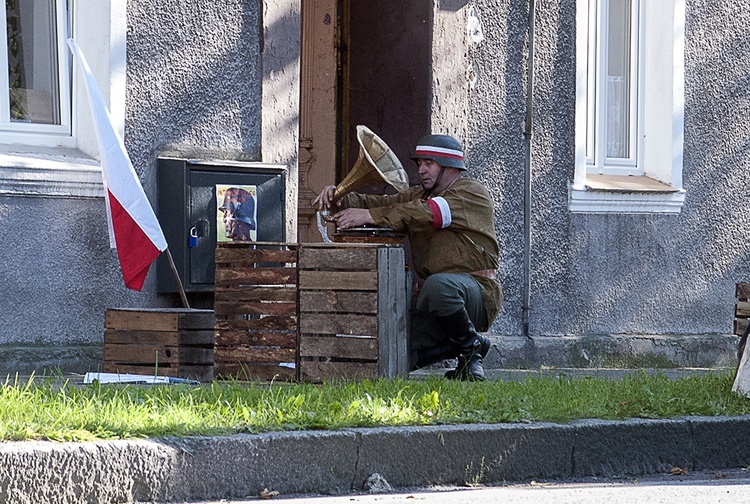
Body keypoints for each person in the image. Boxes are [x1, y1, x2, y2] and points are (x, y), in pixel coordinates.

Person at [314, 134, 502, 381]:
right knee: (394, 353)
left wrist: (369, 215)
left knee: (440, 285)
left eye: (429, 163)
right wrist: (339, 196)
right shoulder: (418, 196)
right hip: (434, 298)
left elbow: (430, 213)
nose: (421, 170)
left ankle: (470, 347)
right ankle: (470, 347)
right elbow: (382, 202)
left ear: (449, 166)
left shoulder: (470, 192)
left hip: (476, 292)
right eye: (419, 164)